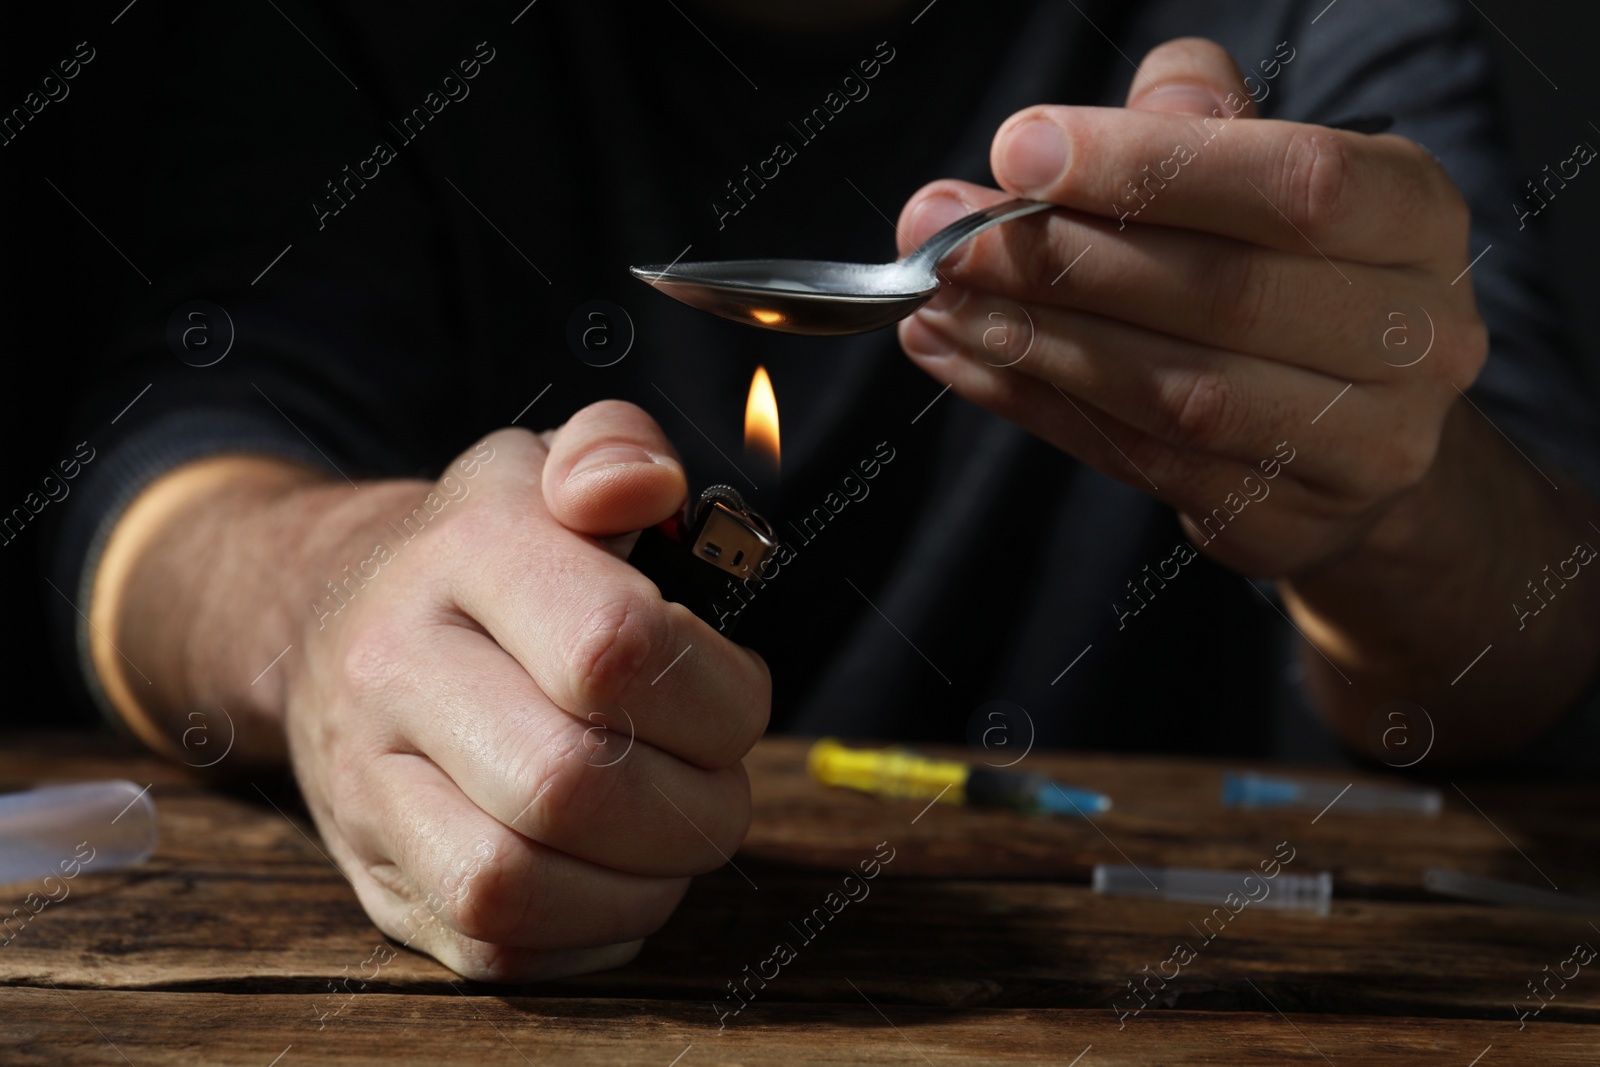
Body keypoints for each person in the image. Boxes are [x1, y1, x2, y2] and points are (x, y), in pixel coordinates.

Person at [47, 0, 1600, 979]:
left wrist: (1384, 494)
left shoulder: (1305, 26)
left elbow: (1546, 619)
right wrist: (344, 606)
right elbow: (168, 468)